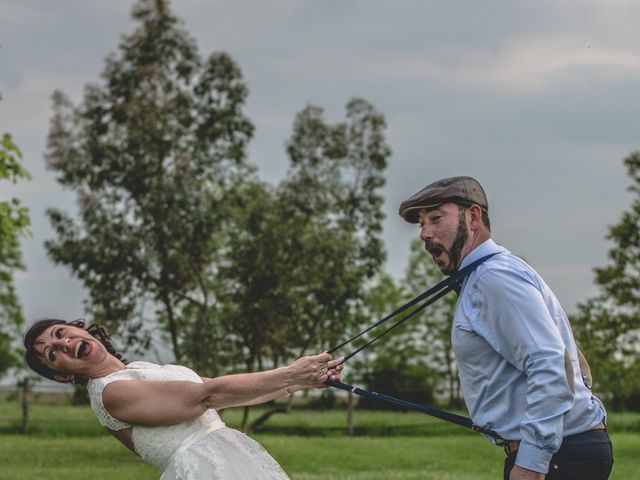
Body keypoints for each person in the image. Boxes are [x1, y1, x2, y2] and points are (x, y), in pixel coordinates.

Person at [398, 176, 613, 480]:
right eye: (422, 223)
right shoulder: (486, 275)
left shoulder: (493, 278)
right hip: (559, 452)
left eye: (436, 218)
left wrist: (531, 463)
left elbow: (549, 364)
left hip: (558, 455)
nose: (424, 233)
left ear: (473, 217)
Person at [24, 318, 342, 480]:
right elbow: (206, 396)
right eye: (53, 353)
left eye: (60, 332)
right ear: (63, 376)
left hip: (231, 456)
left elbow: (225, 397)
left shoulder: (138, 369)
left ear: (79, 329)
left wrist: (304, 382)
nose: (64, 344)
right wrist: (292, 372)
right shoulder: (110, 394)